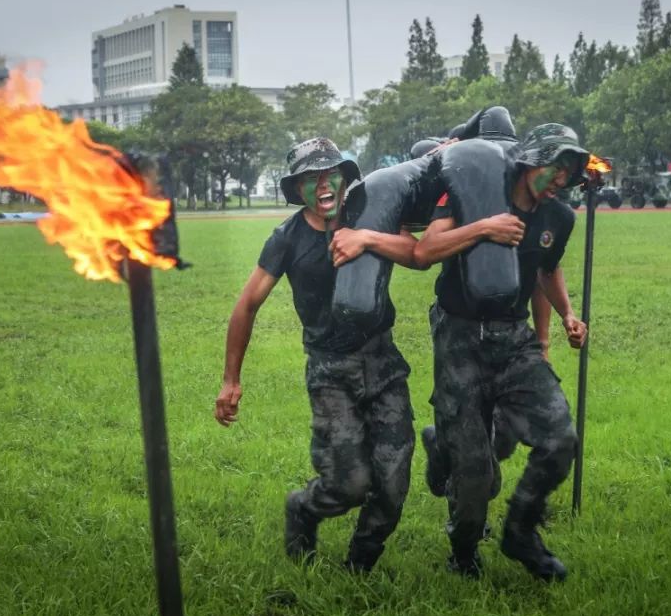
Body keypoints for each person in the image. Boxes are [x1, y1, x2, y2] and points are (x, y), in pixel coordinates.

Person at [214, 137, 419, 573]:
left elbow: (417, 253)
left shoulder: (368, 214)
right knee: (349, 483)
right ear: (298, 188)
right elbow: (247, 304)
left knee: (394, 481)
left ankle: (360, 565)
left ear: (346, 177)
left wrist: (367, 239)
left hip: (384, 362)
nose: (324, 185)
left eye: (331, 175)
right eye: (311, 178)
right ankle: (303, 510)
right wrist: (231, 380)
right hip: (331, 371)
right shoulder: (286, 239)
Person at [411, 123, 589, 581]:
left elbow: (545, 271)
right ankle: (464, 551)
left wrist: (567, 314)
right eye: (555, 167)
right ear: (530, 158)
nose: (560, 180)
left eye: (568, 173)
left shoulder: (560, 218)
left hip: (514, 338)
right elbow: (427, 249)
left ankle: (520, 532)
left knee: (560, 439)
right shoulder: (477, 190)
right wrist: (483, 228)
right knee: (474, 472)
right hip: (460, 335)